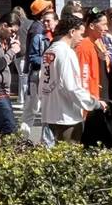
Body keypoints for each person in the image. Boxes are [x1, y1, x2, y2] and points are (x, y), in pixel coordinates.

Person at [40, 14, 102, 143]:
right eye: (81, 34)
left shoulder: (49, 51)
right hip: (66, 117)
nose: (82, 38)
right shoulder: (67, 53)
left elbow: (43, 85)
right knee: (68, 158)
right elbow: (72, 87)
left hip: (49, 113)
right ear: (72, 32)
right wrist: (94, 103)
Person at [23, 6, 58, 145]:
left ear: (56, 22)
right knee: (32, 108)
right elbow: (33, 58)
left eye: (48, 21)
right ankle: (22, 138)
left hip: (53, 79)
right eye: (44, 21)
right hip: (38, 76)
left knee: (49, 110)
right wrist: (47, 61)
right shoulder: (39, 37)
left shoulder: (59, 38)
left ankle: (47, 142)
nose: (45, 24)